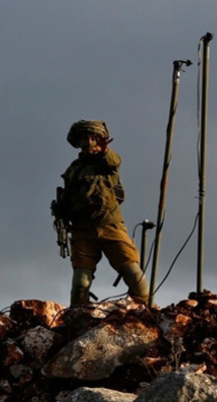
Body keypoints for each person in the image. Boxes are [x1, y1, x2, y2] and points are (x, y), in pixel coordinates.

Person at [53, 120, 149, 306]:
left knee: (136, 277)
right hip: (83, 231)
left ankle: (145, 314)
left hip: (110, 225)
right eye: (84, 138)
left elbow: (114, 161)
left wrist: (105, 151)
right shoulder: (74, 169)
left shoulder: (106, 162)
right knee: (81, 283)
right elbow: (69, 198)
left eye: (92, 138)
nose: (88, 142)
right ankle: (77, 319)